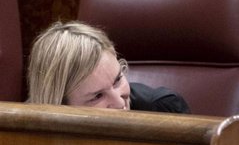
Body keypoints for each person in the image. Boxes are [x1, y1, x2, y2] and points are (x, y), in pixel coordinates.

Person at [27, 20, 190, 113]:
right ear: (59, 107)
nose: (119, 102)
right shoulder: (20, 134)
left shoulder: (165, 108)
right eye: (97, 96)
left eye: (118, 80)